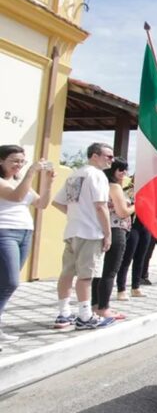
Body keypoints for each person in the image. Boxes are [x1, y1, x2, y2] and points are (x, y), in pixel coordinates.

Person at [51, 142, 116, 330]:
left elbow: (57, 202)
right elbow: (100, 206)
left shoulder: (74, 174)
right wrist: (107, 233)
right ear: (94, 156)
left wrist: (75, 215)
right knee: (86, 276)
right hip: (90, 232)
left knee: (67, 273)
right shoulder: (97, 175)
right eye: (108, 156)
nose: (111, 160)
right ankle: (85, 316)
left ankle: (64, 314)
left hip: (73, 230)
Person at [0, 145, 54, 342]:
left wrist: (48, 182)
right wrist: (31, 171)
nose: (19, 165)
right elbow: (17, 197)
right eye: (14, 161)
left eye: (22, 162)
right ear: (1, 161)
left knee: (6, 282)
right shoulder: (3, 182)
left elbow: (41, 204)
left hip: (25, 233)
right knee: (10, 282)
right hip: (5, 233)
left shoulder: (20, 182)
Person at [91, 157, 132, 321]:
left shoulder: (100, 185)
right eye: (120, 169)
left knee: (99, 271)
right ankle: (103, 308)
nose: (124, 173)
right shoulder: (114, 187)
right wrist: (136, 205)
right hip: (116, 230)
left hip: (100, 229)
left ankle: (95, 305)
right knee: (110, 271)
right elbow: (122, 212)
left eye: (125, 169)